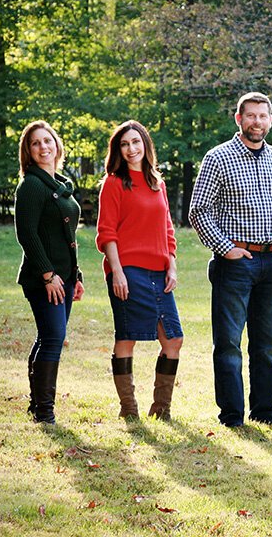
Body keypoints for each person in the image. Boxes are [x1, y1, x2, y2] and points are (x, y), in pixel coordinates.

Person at [189, 92, 272, 427]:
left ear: (270, 121)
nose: (257, 122)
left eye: (263, 116)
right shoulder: (218, 157)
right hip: (234, 263)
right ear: (239, 119)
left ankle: (264, 412)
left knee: (267, 345)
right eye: (251, 115)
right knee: (229, 344)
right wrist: (225, 248)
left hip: (270, 262)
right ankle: (232, 415)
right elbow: (198, 210)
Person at [96, 120, 183, 421]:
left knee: (173, 339)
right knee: (127, 337)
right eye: (124, 144)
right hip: (128, 269)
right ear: (118, 150)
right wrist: (117, 271)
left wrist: (172, 264)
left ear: (145, 144)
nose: (131, 149)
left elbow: (167, 228)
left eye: (136, 142)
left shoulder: (157, 183)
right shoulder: (113, 183)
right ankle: (129, 409)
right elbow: (107, 232)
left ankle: (161, 409)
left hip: (159, 271)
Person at [14, 120, 85, 424]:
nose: (43, 147)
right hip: (43, 279)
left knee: (49, 337)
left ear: (57, 145)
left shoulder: (60, 184)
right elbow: (27, 234)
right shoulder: (31, 185)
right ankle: (45, 412)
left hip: (64, 277)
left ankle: (37, 405)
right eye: (35, 143)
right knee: (53, 338)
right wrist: (47, 274)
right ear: (28, 152)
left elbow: (66, 236)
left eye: (48, 140)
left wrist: (75, 275)